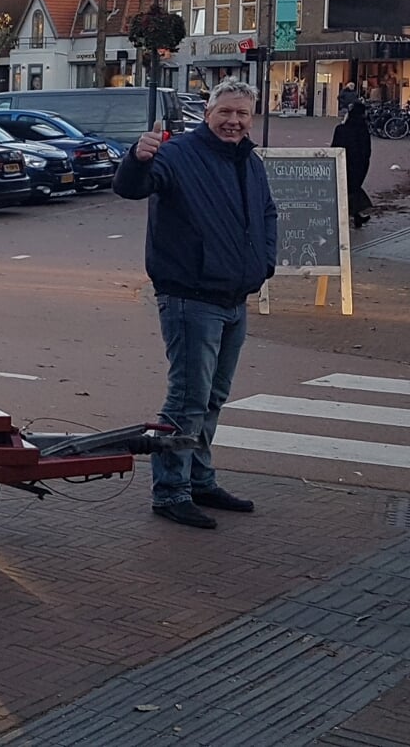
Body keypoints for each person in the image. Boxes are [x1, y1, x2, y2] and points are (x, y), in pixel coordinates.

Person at [113, 78, 276, 530]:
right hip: (190, 297)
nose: (234, 121)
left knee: (213, 397)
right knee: (187, 398)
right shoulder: (177, 154)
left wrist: (265, 263)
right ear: (208, 113)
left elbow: (266, 213)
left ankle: (200, 479)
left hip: (233, 296)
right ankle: (171, 490)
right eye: (226, 112)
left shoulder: (249, 161)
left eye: (242, 113)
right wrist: (136, 158)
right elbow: (131, 188)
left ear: (251, 117)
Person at [330, 101, 372, 229]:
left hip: (343, 163)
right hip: (358, 165)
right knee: (352, 189)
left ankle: (355, 215)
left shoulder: (341, 129)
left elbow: (334, 147)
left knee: (348, 189)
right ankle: (356, 215)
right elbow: (366, 149)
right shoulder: (362, 128)